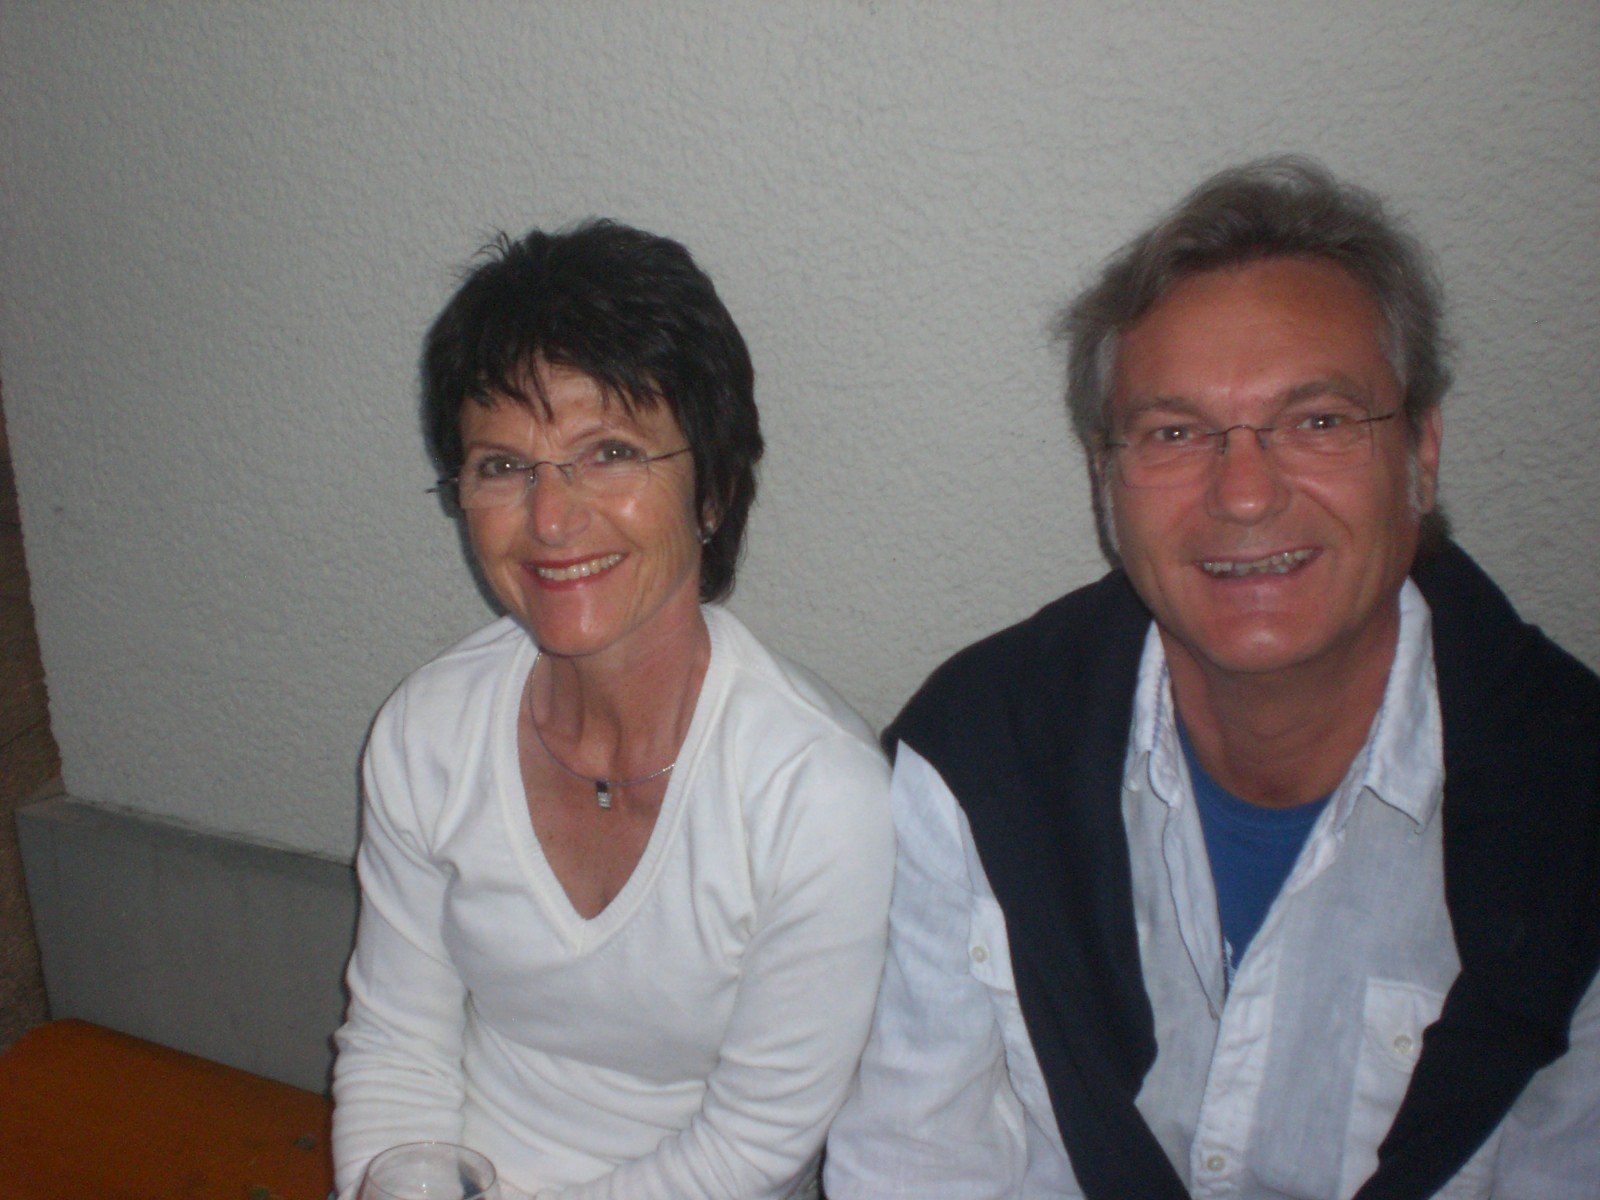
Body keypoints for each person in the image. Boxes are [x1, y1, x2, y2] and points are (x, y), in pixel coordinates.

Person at [825, 158, 1600, 1199]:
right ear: (1105, 482)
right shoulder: (979, 755)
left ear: (1421, 453)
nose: (1242, 494)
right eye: (1175, 433)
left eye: (1318, 421)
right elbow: (916, 1162)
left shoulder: (1574, 808)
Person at [331, 220, 893, 1200]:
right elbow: (395, 1047)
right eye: (503, 465)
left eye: (610, 452)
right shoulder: (428, 732)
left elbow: (754, 1144)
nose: (551, 518)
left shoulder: (819, 795)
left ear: (713, 490)